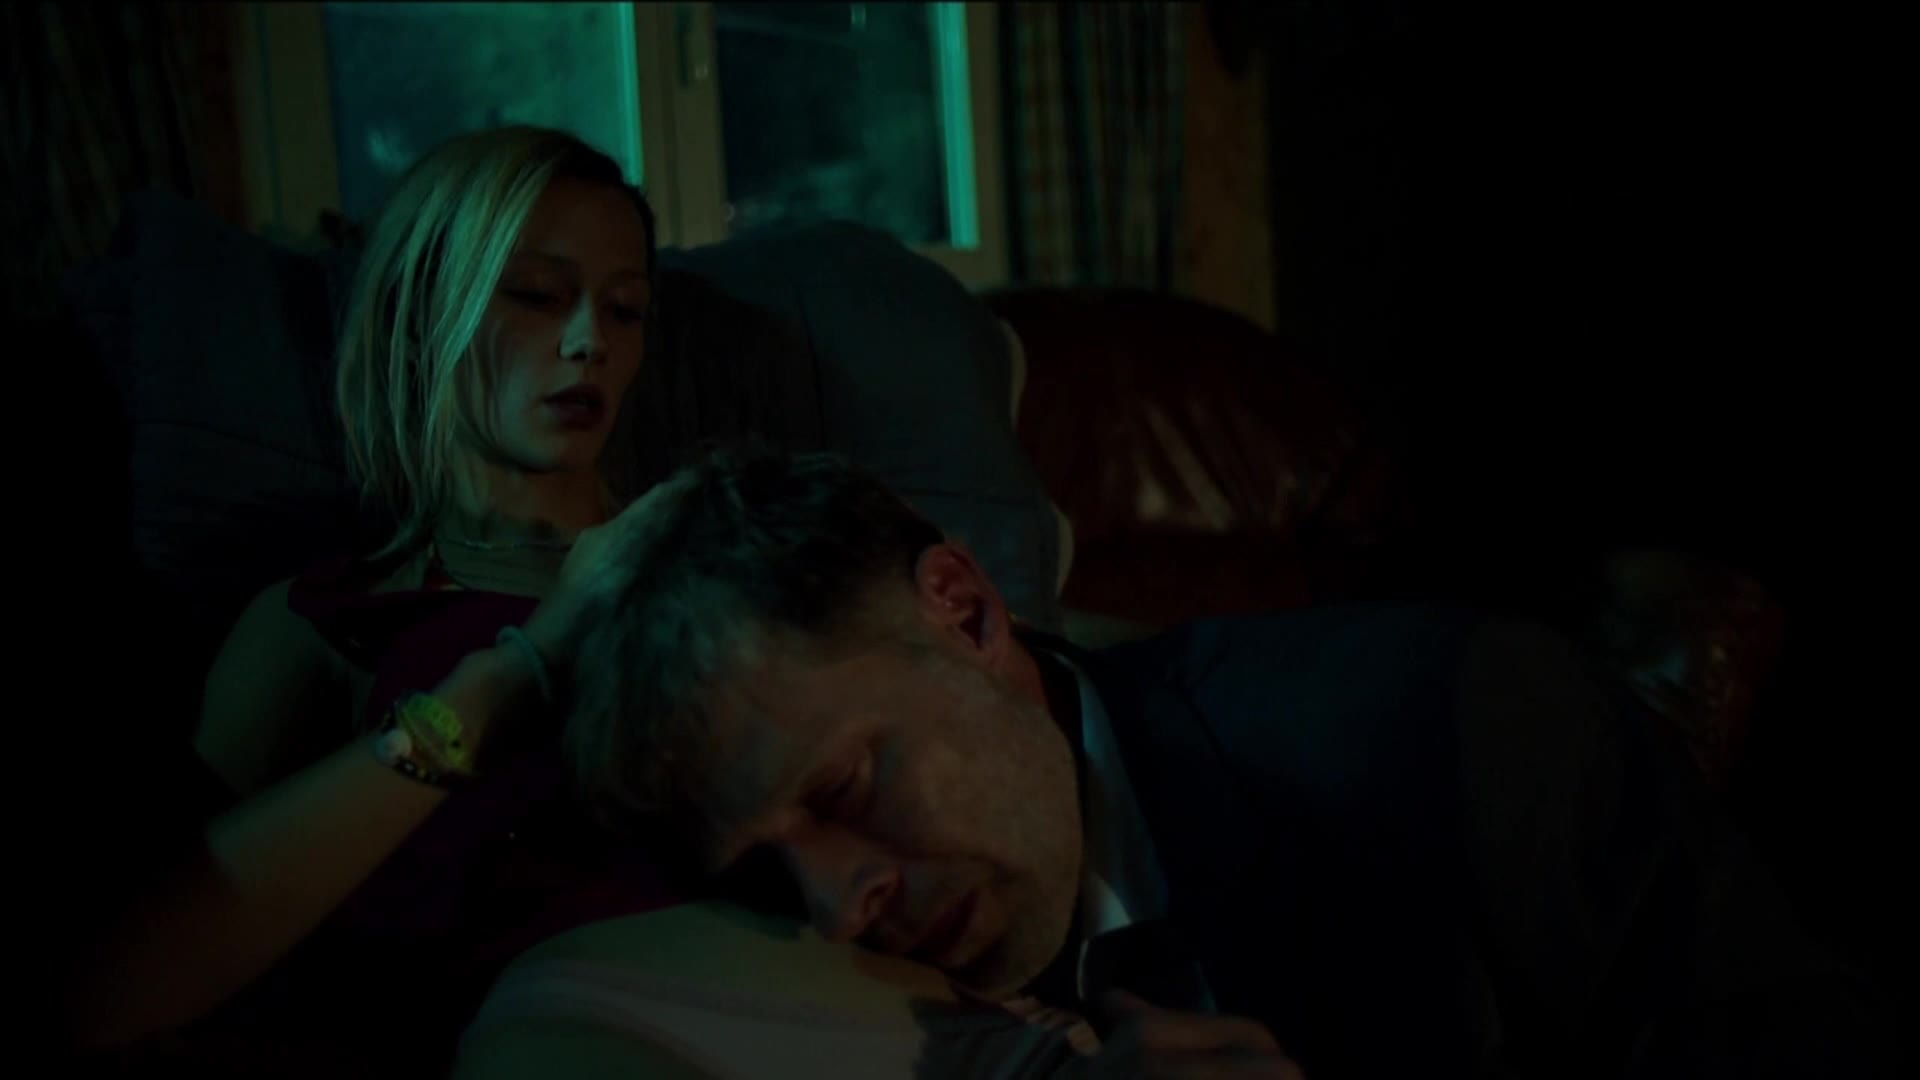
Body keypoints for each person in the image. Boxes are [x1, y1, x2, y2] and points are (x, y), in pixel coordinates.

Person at [558, 448, 1904, 1080]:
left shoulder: (1447, 727)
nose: (833, 907)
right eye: (770, 872)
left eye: (848, 788)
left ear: (963, 612)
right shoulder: (820, 994)